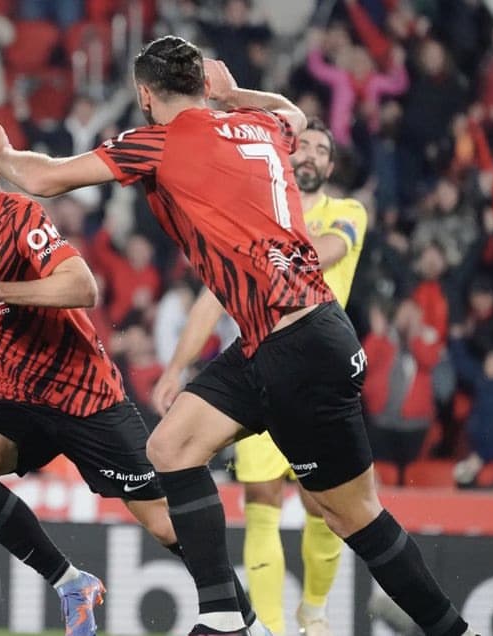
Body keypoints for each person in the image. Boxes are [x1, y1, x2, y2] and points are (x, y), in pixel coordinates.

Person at [0, 35, 477, 636]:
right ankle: (226, 619)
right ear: (205, 86)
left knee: (354, 517)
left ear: (144, 95)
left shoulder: (156, 140)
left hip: (298, 346)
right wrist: (236, 94)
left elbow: (45, 179)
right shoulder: (259, 125)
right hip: (282, 340)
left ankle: (451, 631)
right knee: (171, 448)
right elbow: (289, 112)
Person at [0, 124, 269, 636]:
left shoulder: (21, 217)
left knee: (167, 525)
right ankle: (69, 583)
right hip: (22, 400)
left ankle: (249, 625)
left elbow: (82, 288)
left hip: (87, 400)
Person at [151, 119, 368, 635]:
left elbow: (330, 252)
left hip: (320, 372)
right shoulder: (260, 213)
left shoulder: (348, 212)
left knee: (326, 509)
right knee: (261, 498)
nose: (310, 155)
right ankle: (268, 627)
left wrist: (267, 244)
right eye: (303, 147)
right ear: (285, 159)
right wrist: (176, 367)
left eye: (321, 149)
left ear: (331, 167)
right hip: (259, 367)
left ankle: (313, 611)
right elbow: (211, 297)